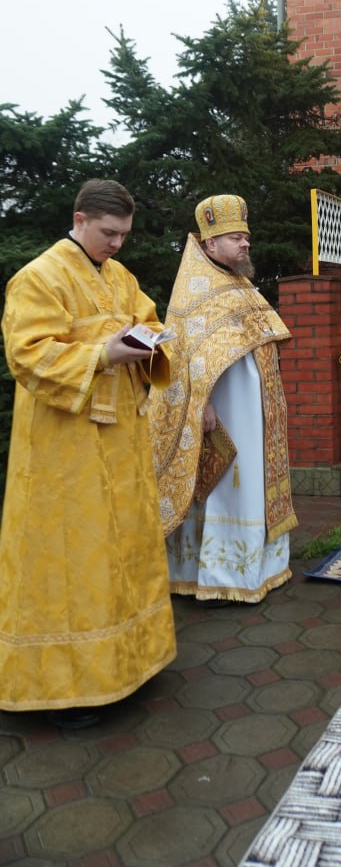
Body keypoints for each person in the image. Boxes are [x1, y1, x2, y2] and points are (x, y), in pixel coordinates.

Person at [0, 179, 176, 727]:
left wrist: (148, 341)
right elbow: (27, 355)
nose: (117, 244)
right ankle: (68, 687)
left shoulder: (120, 276)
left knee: (121, 546)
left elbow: (149, 320)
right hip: (64, 450)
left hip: (121, 441)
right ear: (79, 220)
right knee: (72, 557)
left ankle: (132, 660)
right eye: (108, 233)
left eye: (124, 234)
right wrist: (102, 352)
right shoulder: (39, 277)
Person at [150, 194, 297, 604]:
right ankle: (219, 575)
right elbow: (184, 358)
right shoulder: (195, 289)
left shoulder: (238, 282)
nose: (245, 243)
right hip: (224, 410)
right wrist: (203, 404)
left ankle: (257, 568)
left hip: (252, 406)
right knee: (228, 482)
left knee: (251, 479)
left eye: (246, 236)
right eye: (235, 237)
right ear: (210, 242)